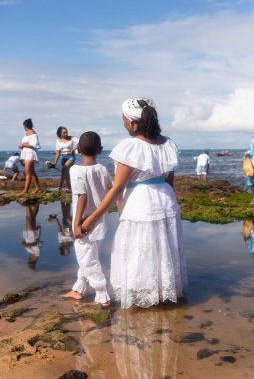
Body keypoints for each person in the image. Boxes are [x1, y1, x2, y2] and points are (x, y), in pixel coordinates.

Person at [82, 98, 187, 309]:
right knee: (163, 247)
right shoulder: (168, 144)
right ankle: (161, 292)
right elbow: (169, 181)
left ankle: (143, 295)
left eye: (123, 119)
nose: (123, 123)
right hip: (166, 199)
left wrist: (92, 218)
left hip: (141, 202)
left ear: (132, 122)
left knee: (140, 249)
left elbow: (118, 187)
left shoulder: (130, 146)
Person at [62, 131, 112, 306]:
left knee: (88, 259)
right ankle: (78, 288)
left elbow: (81, 196)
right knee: (88, 255)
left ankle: (102, 295)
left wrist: (76, 224)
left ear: (77, 149)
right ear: (100, 149)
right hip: (100, 221)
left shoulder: (75, 170)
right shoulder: (102, 169)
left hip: (84, 223)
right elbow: (110, 190)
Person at [18, 118, 41, 196]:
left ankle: (25, 190)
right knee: (32, 172)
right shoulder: (27, 133)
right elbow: (27, 144)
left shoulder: (33, 132)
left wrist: (23, 145)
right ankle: (38, 188)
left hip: (30, 154)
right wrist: (21, 146)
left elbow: (35, 145)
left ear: (26, 126)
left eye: (23, 126)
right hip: (26, 153)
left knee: (27, 172)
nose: (23, 127)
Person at [22, 204, 42, 270]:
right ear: (31, 262)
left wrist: (24, 244)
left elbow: (24, 243)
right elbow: (37, 244)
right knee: (28, 219)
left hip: (27, 235)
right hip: (32, 236)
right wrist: (27, 245)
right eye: (29, 262)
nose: (27, 261)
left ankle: (37, 203)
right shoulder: (36, 255)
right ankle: (27, 202)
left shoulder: (30, 254)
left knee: (32, 217)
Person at [244, 137, 254, 203]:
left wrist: (246, 154)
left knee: (253, 183)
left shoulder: (252, 141)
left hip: (252, 166)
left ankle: (253, 199)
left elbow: (249, 152)